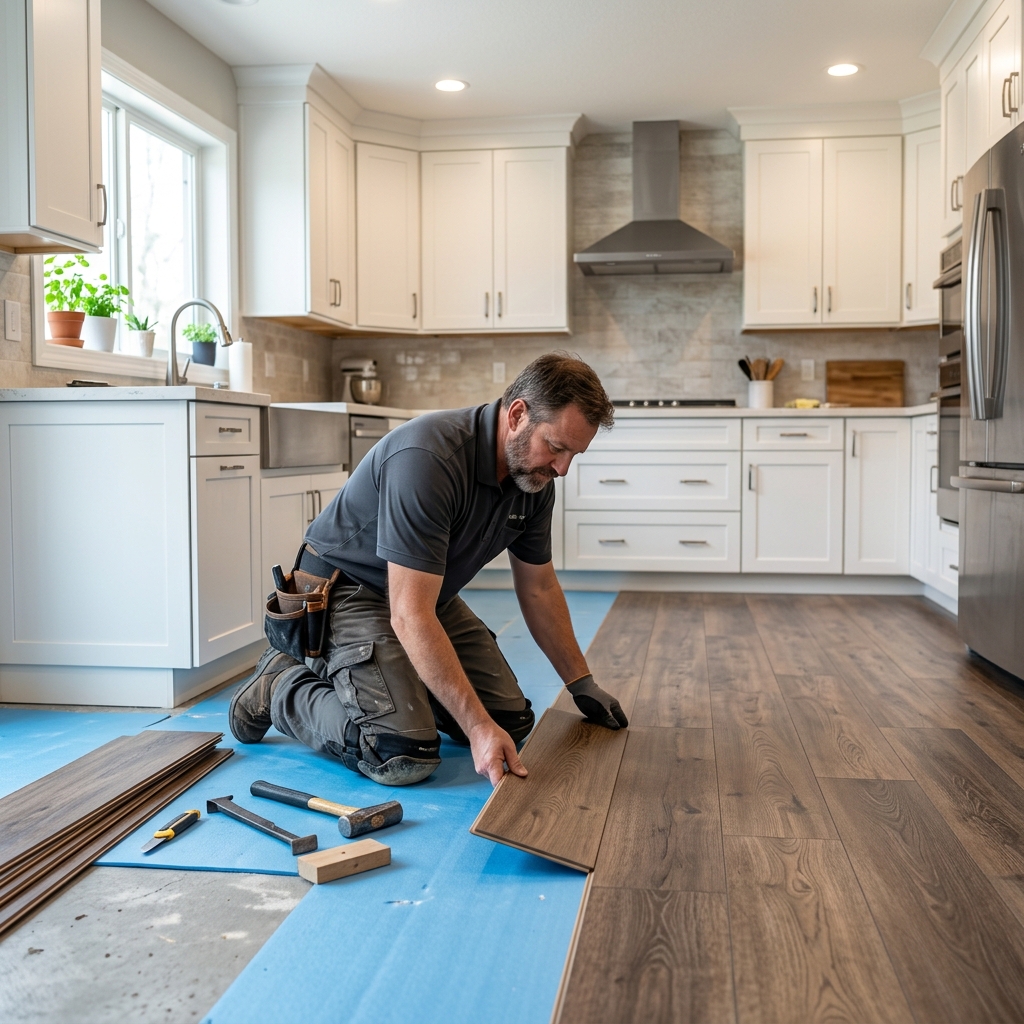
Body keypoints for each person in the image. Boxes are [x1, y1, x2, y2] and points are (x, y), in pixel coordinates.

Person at [228, 353, 627, 786]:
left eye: (574, 454)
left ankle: (396, 682)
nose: (563, 468)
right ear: (517, 415)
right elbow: (409, 614)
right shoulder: (429, 457)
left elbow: (539, 589)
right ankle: (281, 684)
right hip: (344, 592)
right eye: (556, 447)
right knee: (401, 754)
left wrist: (580, 682)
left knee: (509, 724)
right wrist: (475, 730)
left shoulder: (533, 480)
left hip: (420, 594)